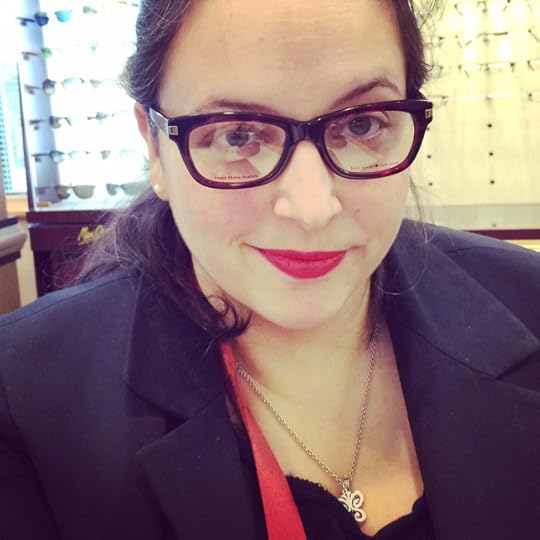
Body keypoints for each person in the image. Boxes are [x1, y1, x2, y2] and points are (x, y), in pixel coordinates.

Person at [1, 0, 539, 538]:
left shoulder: (529, 303)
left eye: (362, 123)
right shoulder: (24, 401)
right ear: (155, 148)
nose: (311, 209)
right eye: (237, 134)